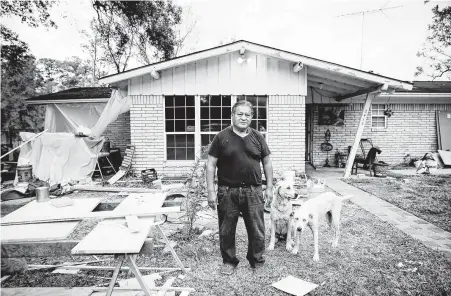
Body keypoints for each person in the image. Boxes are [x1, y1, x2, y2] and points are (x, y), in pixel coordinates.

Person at [206, 100, 273, 275]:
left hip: (254, 190)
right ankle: (229, 262)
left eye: (247, 115)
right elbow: (211, 165)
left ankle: (256, 261)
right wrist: (211, 192)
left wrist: (270, 187)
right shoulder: (221, 137)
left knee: (257, 229)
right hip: (227, 191)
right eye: (240, 114)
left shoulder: (258, 137)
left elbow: (267, 162)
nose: (244, 118)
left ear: (252, 117)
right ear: (232, 115)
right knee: (226, 229)